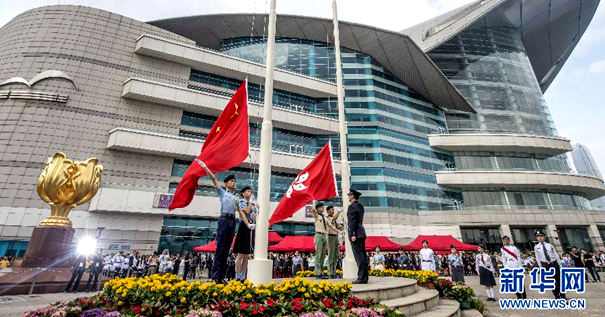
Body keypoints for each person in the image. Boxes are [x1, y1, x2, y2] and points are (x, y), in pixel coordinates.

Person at [199, 159, 238, 284]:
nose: (234, 183)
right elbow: (214, 179)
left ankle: (221, 277)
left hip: (233, 221)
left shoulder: (236, 197)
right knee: (220, 249)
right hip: (224, 220)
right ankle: (215, 277)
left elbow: (242, 210)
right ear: (226, 183)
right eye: (231, 181)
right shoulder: (222, 192)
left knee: (227, 250)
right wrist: (205, 167)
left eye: (234, 181)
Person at [233, 186, 257, 281]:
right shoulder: (241, 202)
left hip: (250, 226)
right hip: (243, 225)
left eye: (250, 191)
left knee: (247, 254)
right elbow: (246, 211)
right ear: (243, 193)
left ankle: (243, 275)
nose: (249, 193)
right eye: (247, 191)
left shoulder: (251, 204)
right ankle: (237, 275)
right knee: (240, 255)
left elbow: (253, 214)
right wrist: (250, 202)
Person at [533, 230, 566, 299]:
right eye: (538, 237)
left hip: (554, 264)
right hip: (546, 265)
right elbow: (538, 258)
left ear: (544, 237)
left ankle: (563, 296)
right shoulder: (536, 247)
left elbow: (556, 255)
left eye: (541, 236)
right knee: (551, 281)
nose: (540, 238)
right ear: (537, 238)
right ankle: (556, 296)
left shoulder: (549, 245)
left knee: (559, 280)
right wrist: (541, 267)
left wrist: (560, 264)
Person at [347, 189, 368, 284]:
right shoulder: (360, 206)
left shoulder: (352, 207)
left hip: (356, 234)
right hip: (361, 232)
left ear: (352, 196)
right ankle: (364, 277)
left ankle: (360, 277)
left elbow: (352, 222)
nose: (348, 197)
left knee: (359, 256)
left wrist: (353, 234)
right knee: (363, 255)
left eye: (349, 195)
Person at [312, 202, 329, 278]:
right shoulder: (316, 216)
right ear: (318, 208)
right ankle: (317, 272)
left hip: (324, 236)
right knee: (318, 254)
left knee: (323, 255)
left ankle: (321, 272)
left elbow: (329, 225)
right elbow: (314, 212)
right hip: (318, 235)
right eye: (322, 207)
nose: (323, 208)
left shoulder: (324, 217)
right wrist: (313, 205)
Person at [325, 205, 342, 278]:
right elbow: (334, 218)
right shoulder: (328, 218)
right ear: (328, 211)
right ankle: (330, 272)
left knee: (336, 255)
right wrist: (339, 211)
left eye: (333, 209)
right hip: (330, 236)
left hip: (336, 237)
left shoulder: (335, 220)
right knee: (331, 255)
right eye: (332, 209)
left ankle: (334, 271)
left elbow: (338, 226)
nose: (333, 210)